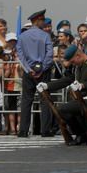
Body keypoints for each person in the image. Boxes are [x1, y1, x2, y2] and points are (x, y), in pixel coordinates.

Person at [15, 9, 54, 137]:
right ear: (37, 20)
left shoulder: (22, 36)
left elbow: (20, 54)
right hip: (43, 71)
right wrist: (42, 68)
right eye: (42, 20)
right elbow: (49, 54)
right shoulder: (45, 36)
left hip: (29, 72)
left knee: (26, 100)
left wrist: (28, 69)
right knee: (45, 100)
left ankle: (23, 130)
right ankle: (45, 130)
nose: (44, 22)